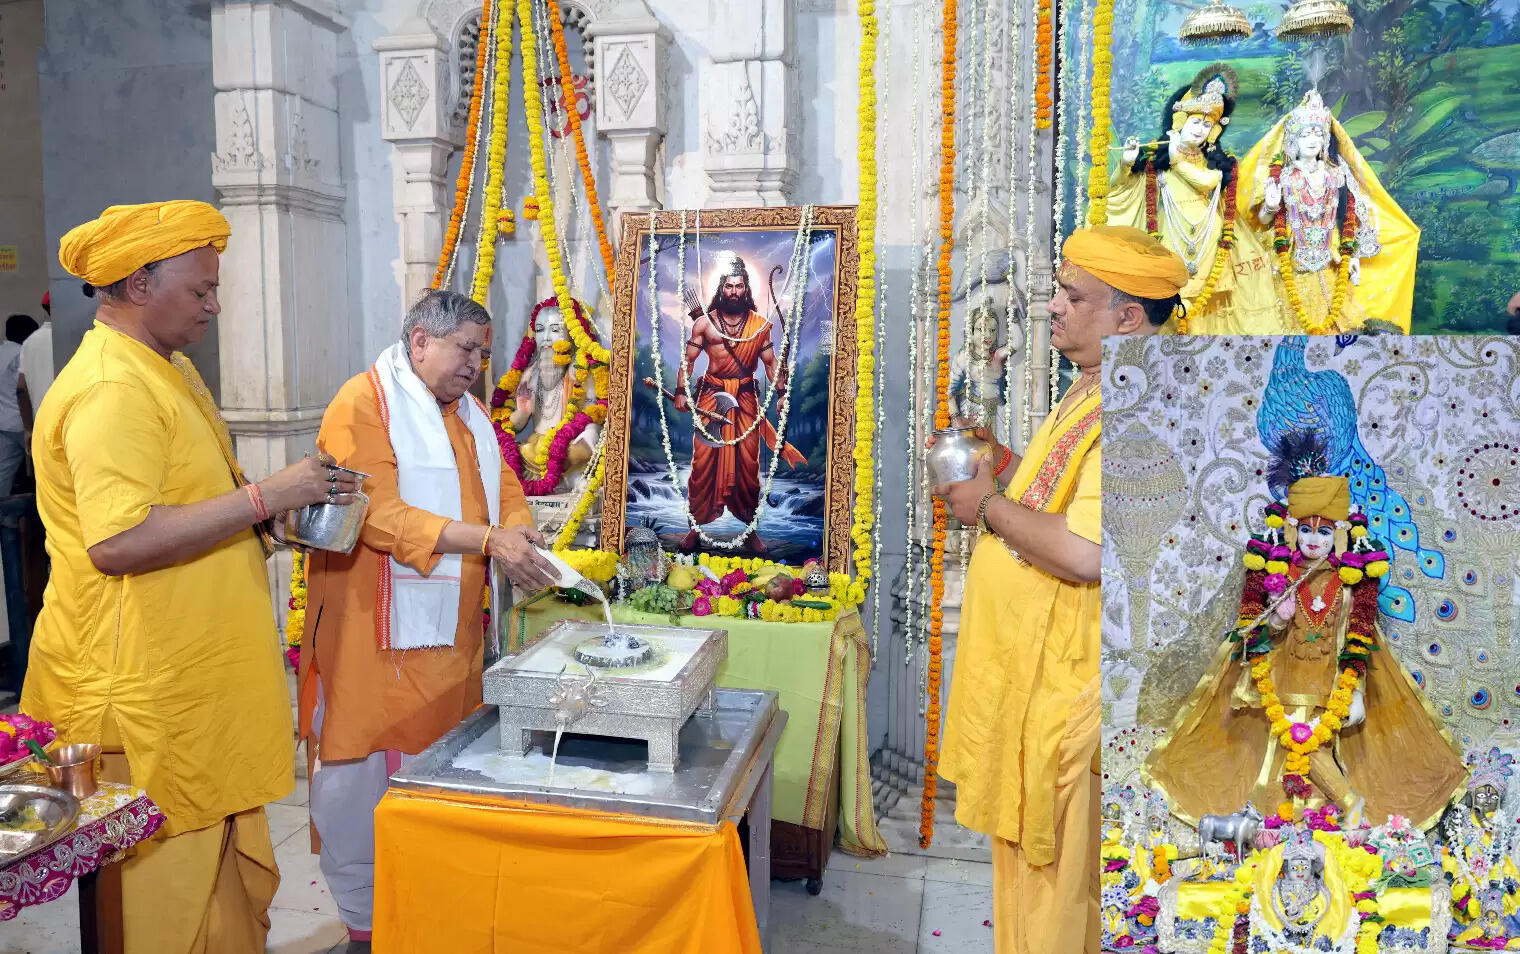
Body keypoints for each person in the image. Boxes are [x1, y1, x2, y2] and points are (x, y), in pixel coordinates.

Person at [21, 199, 360, 954]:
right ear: (139, 286)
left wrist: (267, 521)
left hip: (192, 685)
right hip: (144, 695)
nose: (213, 305)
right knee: (161, 911)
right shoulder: (114, 388)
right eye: (200, 290)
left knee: (219, 899)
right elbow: (117, 540)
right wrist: (268, 495)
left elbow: (184, 510)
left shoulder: (164, 371)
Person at [932, 225, 1187, 954]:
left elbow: (1085, 551)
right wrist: (1004, 463)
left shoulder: (1140, 406)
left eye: (1073, 297)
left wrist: (982, 505)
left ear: (1127, 316)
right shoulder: (1099, 381)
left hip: (1070, 682)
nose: (1052, 308)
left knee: (1061, 894)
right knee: (1028, 885)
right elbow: (1057, 499)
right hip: (1035, 674)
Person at [298, 288, 557, 954]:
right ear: (420, 342)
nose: (478, 364)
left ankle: (433, 907)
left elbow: (508, 491)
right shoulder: (363, 403)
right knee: (360, 783)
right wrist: (486, 540)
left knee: (442, 772)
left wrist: (520, 536)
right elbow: (377, 514)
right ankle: (366, 926)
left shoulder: (470, 415)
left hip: (450, 635)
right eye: (465, 349)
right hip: (371, 632)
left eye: (484, 353)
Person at [671, 252, 804, 553]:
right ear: (721, 288)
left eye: (739, 286)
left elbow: (771, 365)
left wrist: (782, 395)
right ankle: (695, 527)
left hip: (745, 400)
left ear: (747, 288)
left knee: (748, 465)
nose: (734, 292)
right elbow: (687, 360)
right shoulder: (704, 324)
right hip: (711, 398)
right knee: (702, 462)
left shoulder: (760, 325)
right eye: (728, 286)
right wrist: (681, 390)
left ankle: (750, 530)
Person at [0, 314, 39, 494]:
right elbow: (24, 388)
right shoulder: (21, 353)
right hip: (22, 423)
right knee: (40, 469)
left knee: (4, 471)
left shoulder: (2, 352)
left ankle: (5, 516)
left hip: (4, 422)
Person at [19, 290, 56, 433]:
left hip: (43, 427)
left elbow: (21, 389)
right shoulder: (86, 336)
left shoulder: (30, 341)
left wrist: (28, 429)